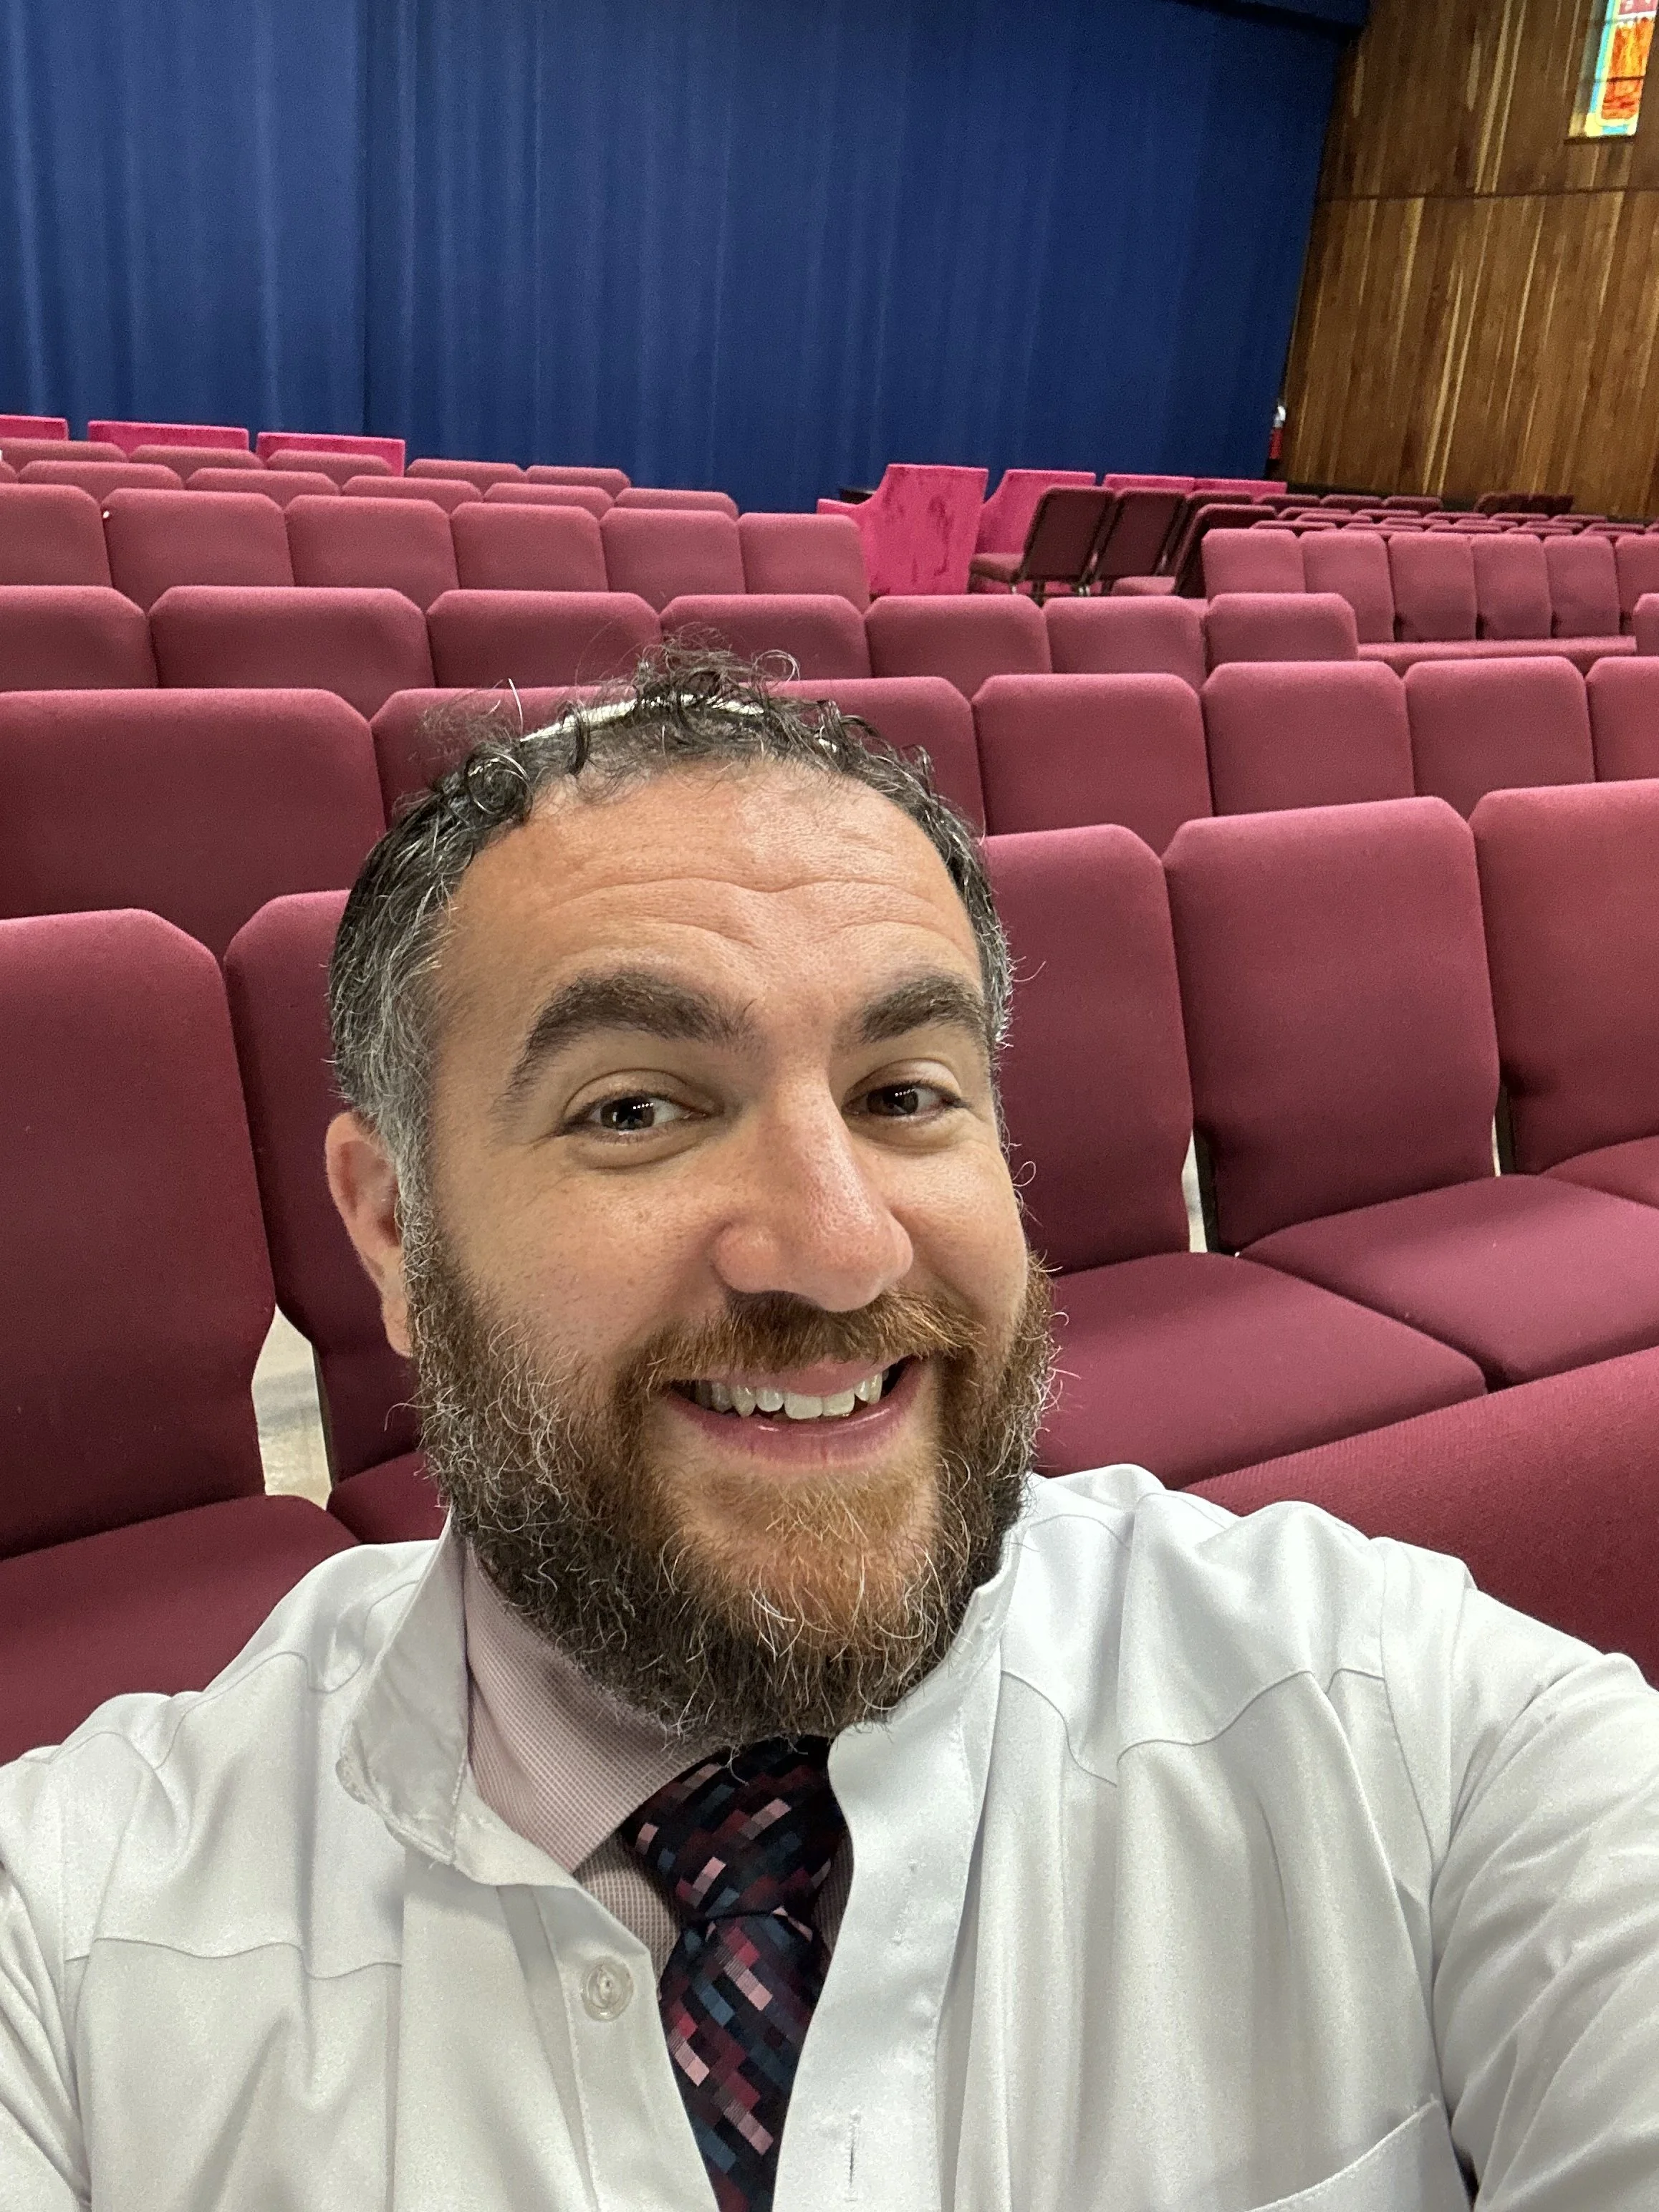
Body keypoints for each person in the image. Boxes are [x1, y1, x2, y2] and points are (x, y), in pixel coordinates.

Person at [2, 650, 1658, 2212]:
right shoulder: (71, 1944)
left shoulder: (1418, 1733)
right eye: (636, 1108)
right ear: (392, 1232)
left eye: (903, 1092)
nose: (839, 1243)